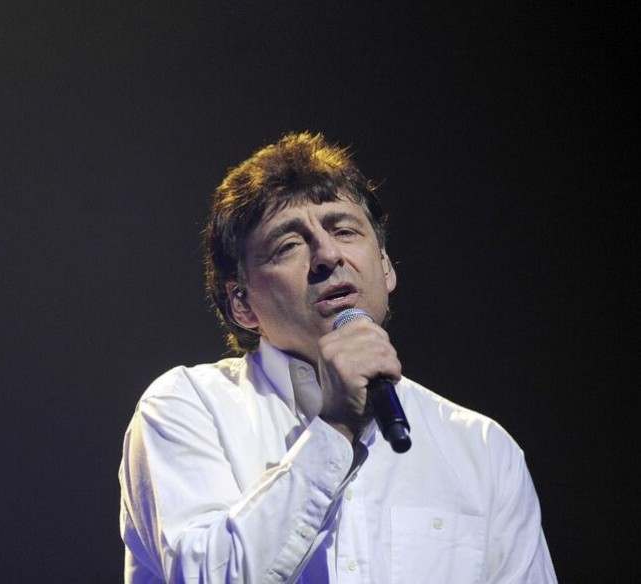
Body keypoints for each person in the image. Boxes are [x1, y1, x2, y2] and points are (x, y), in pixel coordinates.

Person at [118, 132, 557, 582]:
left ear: (385, 266)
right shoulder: (186, 406)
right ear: (242, 304)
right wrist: (335, 429)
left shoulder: (483, 450)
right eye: (288, 245)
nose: (328, 255)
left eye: (344, 231)